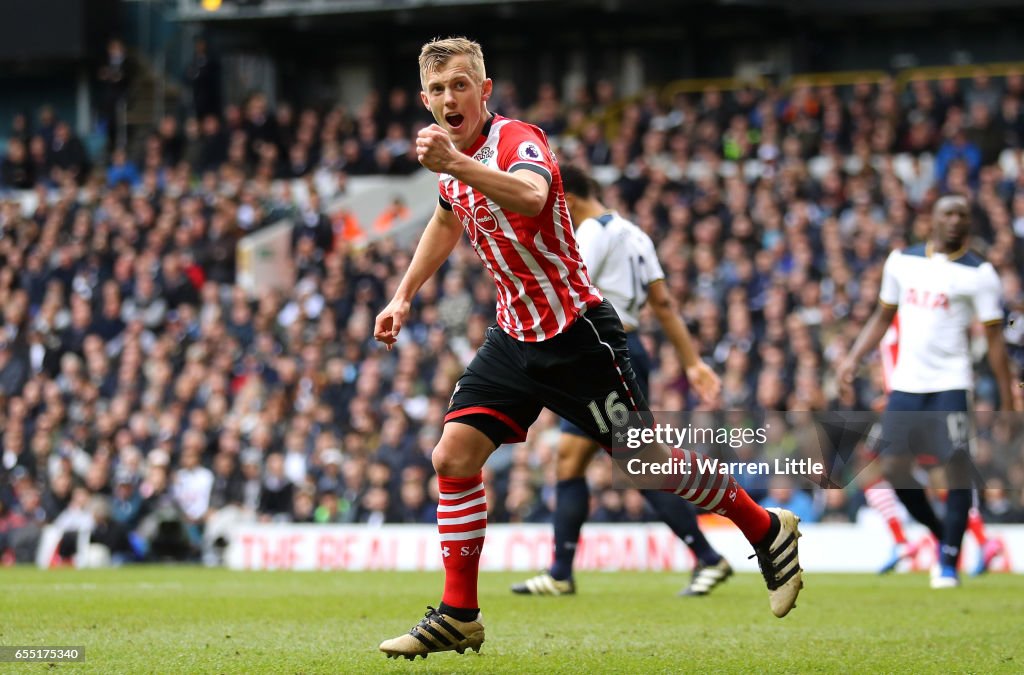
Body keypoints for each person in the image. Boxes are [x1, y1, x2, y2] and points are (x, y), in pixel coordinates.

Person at [375, 37, 802, 661]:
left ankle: (765, 527)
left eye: (461, 85)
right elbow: (446, 218)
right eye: (438, 90)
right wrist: (404, 293)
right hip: (513, 337)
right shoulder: (453, 165)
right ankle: (459, 614)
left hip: (578, 336)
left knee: (649, 465)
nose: (449, 98)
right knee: (454, 455)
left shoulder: (516, 140)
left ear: (484, 91)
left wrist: (453, 165)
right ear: (425, 99)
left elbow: (533, 197)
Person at [510, 165, 732, 598]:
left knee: (641, 467)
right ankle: (560, 571)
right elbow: (664, 303)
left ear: (568, 200)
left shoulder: (591, 232)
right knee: (572, 462)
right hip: (626, 349)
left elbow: (571, 291)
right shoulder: (635, 234)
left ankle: (708, 557)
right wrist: (692, 363)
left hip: (602, 355)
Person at [837, 194, 1017, 589]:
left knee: (954, 471)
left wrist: (1007, 401)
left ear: (970, 223)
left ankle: (949, 563)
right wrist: (852, 358)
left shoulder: (980, 273)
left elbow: (996, 342)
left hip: (951, 385)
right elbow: (882, 317)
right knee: (893, 469)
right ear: (931, 220)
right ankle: (940, 536)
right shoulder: (902, 261)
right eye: (948, 213)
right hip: (906, 386)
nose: (955, 220)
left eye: (963, 215)